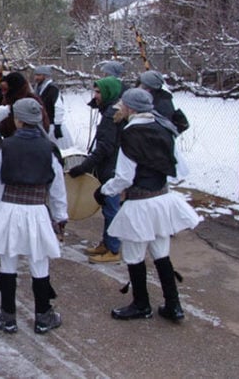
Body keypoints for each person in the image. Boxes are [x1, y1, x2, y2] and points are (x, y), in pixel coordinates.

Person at [98, 88, 200, 322]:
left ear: (131, 108)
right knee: (161, 253)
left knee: (134, 254)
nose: (119, 108)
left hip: (140, 203)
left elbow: (125, 177)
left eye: (122, 104)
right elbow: (176, 168)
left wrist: (104, 190)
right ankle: (174, 306)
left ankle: (141, 304)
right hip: (163, 199)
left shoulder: (130, 134)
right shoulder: (164, 127)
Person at [0, 98, 68, 334]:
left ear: (18, 120)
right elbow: (57, 187)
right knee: (39, 262)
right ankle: (43, 316)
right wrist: (60, 217)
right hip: (37, 209)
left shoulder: (5, 147)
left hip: (9, 208)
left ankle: (7, 316)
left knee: (8, 261)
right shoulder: (49, 149)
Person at [67, 76, 124, 264]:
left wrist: (84, 167)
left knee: (111, 210)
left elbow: (105, 148)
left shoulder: (110, 115)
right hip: (111, 166)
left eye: (99, 92)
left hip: (111, 169)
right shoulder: (112, 110)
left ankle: (113, 249)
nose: (95, 95)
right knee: (109, 207)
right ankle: (107, 244)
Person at [32, 65, 72, 149]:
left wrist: (57, 125)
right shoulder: (38, 88)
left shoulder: (52, 89)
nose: (36, 77)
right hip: (44, 125)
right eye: (35, 75)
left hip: (53, 126)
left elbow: (59, 107)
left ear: (45, 76)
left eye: (39, 75)